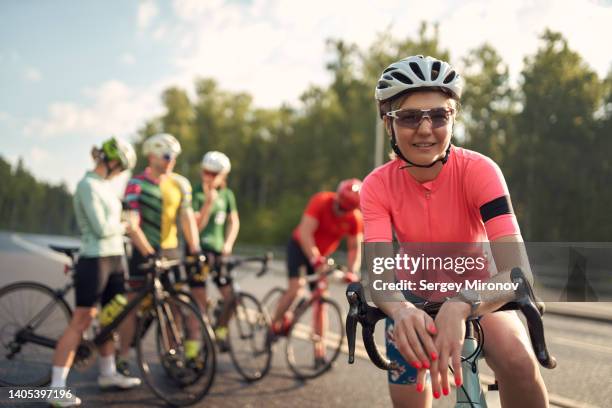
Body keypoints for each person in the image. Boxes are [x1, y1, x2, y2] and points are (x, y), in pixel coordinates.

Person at [361, 55, 549, 407]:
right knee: (409, 398)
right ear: (388, 124)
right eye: (409, 117)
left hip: (481, 292)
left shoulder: (480, 171)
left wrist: (463, 302)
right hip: (413, 299)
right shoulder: (376, 185)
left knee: (519, 363)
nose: (425, 128)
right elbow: (380, 276)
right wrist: (400, 311)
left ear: (453, 117)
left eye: (438, 115)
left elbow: (518, 271)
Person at [49, 137, 141, 407]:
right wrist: (126, 224)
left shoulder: (105, 187)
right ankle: (55, 389)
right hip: (95, 259)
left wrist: (124, 224)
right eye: (122, 168)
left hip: (114, 258)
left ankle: (108, 373)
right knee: (82, 320)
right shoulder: (87, 185)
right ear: (112, 162)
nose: (122, 174)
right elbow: (102, 228)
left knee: (110, 317)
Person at [117, 133, 201, 373]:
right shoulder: (136, 183)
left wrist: (195, 250)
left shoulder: (180, 184)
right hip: (143, 250)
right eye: (166, 156)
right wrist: (147, 251)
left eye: (174, 156)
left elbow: (186, 218)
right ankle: (123, 356)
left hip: (171, 250)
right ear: (152, 156)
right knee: (132, 304)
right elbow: (131, 223)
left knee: (173, 304)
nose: (170, 160)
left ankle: (171, 352)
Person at [270, 179, 363, 366]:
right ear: (336, 198)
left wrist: (352, 272)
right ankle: (274, 326)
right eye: (339, 207)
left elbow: (354, 248)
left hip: (322, 254)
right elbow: (305, 233)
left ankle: (319, 352)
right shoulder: (321, 201)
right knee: (296, 289)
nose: (340, 212)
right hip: (300, 246)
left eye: (345, 210)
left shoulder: (354, 218)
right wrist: (315, 259)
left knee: (321, 301)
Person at [188, 151, 239, 350]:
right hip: (197, 252)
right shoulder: (195, 193)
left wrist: (228, 244)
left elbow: (234, 221)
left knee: (231, 297)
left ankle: (221, 330)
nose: (207, 176)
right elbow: (195, 227)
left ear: (222, 175)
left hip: (218, 253)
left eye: (213, 173)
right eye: (205, 172)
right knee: (198, 305)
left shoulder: (227, 195)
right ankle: (192, 350)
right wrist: (208, 203)